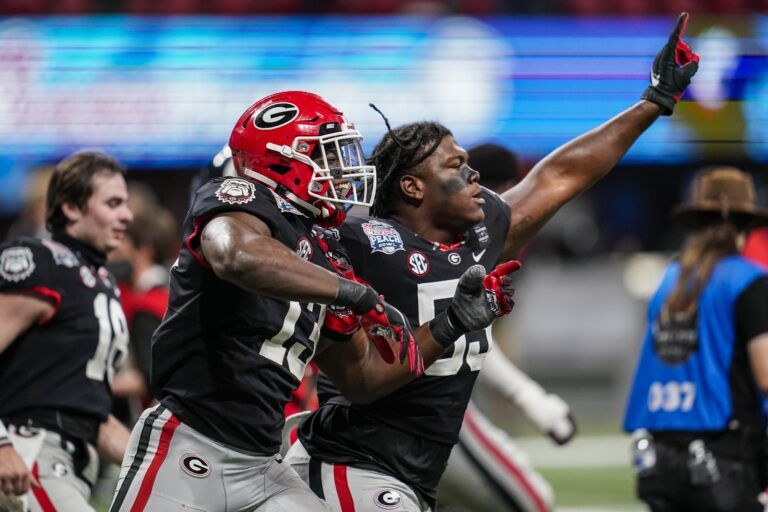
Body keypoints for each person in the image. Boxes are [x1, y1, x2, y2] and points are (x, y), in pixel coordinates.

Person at [286, 12, 699, 512]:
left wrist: (654, 102)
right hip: (348, 461)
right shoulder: (362, 239)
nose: (473, 172)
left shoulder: (480, 236)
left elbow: (559, 175)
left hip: (408, 467)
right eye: (456, 165)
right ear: (413, 187)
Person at [109, 91, 518, 512]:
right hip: (189, 446)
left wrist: (449, 324)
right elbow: (235, 255)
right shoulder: (240, 198)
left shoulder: (327, 254)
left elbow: (364, 379)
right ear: (285, 160)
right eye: (330, 155)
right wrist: (354, 293)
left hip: (263, 464)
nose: (343, 170)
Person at [623, 167, 768, 512]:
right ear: (746, 224)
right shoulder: (749, 281)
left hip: (659, 457)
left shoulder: (669, 279)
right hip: (724, 457)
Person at [0, 151, 134, 511]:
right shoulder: (40, 263)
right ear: (72, 207)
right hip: (28, 454)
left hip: (73, 461)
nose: (127, 215)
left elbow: (87, 411)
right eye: (113, 203)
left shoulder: (98, 280)